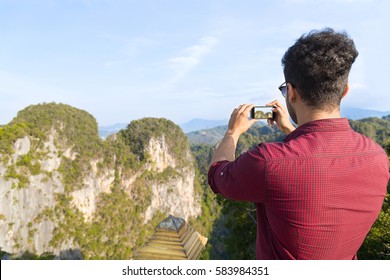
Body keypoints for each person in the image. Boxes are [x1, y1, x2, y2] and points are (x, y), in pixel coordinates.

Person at [208, 28, 389, 260]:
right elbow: (320, 160)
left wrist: (233, 132)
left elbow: (217, 176)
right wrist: (290, 130)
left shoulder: (267, 161)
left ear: (291, 92)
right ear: (344, 91)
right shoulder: (377, 158)